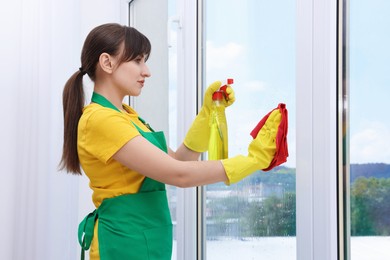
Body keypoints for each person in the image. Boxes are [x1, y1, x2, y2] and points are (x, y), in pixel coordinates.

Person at [60, 23, 281, 260]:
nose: (146, 71)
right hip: (123, 245)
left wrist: (207, 115)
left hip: (146, 244)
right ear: (107, 62)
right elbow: (179, 174)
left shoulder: (127, 116)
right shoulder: (100, 119)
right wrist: (253, 160)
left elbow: (177, 160)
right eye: (137, 60)